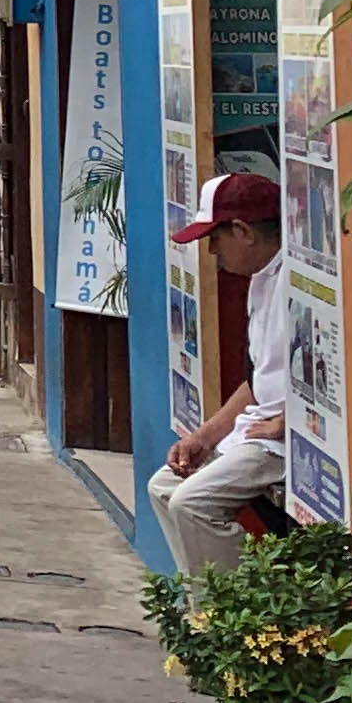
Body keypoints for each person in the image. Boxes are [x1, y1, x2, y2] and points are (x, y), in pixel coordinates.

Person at [148, 173, 291, 576]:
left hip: (282, 442)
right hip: (258, 428)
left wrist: (292, 421)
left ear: (243, 231)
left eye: (215, 237)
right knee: (164, 487)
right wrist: (205, 435)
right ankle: (202, 605)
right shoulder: (261, 280)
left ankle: (233, 617)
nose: (212, 251)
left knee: (193, 502)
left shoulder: (295, 283)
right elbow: (256, 379)